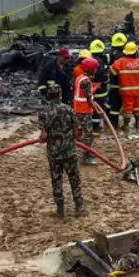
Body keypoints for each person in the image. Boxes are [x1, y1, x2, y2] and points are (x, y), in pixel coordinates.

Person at [37, 81, 85, 218]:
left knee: (56, 180)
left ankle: (60, 210)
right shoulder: (69, 109)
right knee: (74, 178)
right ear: (60, 95)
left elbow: (44, 136)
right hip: (69, 151)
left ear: (48, 95)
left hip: (54, 154)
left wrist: (44, 139)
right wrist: (69, 136)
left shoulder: (44, 112)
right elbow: (77, 132)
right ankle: (79, 206)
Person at [110, 41, 139, 139]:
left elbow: (112, 72)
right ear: (135, 51)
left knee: (128, 109)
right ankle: (137, 126)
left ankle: (126, 127)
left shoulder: (120, 61)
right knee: (137, 109)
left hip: (126, 91)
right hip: (138, 90)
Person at [72, 55, 99, 165]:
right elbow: (89, 99)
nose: (96, 70)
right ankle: (86, 157)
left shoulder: (80, 77)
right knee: (88, 135)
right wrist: (98, 111)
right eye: (95, 68)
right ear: (91, 69)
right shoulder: (86, 81)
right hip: (84, 111)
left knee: (78, 132)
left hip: (78, 109)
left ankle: (74, 153)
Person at [106, 32, 127, 128]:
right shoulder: (125, 55)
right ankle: (114, 124)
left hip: (113, 84)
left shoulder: (111, 54)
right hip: (122, 84)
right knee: (117, 105)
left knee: (111, 103)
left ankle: (108, 121)